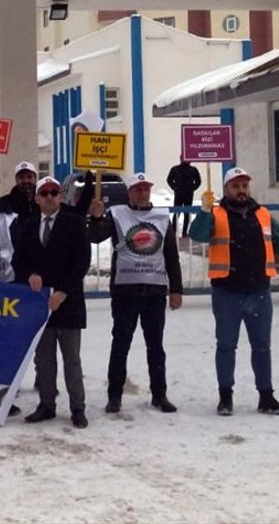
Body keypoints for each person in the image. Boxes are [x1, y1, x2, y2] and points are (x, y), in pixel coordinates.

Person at [188, 167, 279, 416]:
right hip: (227, 292)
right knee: (226, 345)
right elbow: (198, 234)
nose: (241, 191)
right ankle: (225, 397)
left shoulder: (264, 215)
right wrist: (204, 211)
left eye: (244, 186)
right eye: (235, 186)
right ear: (226, 190)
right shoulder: (216, 214)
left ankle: (266, 396)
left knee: (262, 347)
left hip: (259, 291)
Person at [87, 172, 183, 415]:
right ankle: (114, 396)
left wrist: (177, 290)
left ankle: (159, 395)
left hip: (154, 291)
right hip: (125, 292)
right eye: (138, 189)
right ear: (129, 192)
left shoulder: (162, 217)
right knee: (120, 344)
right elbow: (96, 236)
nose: (142, 193)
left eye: (146, 189)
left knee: (155, 346)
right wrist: (96, 218)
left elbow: (171, 255)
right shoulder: (117, 214)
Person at [11, 176, 90, 428]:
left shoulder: (75, 224)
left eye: (54, 192)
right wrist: (30, 275)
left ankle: (78, 407)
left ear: (60, 196)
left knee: (71, 360)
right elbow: (18, 260)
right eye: (44, 193)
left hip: (68, 302)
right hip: (40, 305)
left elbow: (81, 262)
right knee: (43, 360)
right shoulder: (28, 225)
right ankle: (46, 404)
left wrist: (63, 292)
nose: (49, 197)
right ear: (36, 198)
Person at [166, 160, 202, 237]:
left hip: (188, 194)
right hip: (178, 194)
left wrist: (192, 188)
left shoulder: (193, 170)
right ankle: (173, 232)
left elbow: (198, 181)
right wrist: (175, 187)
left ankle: (184, 232)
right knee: (176, 213)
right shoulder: (175, 169)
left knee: (187, 213)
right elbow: (169, 179)